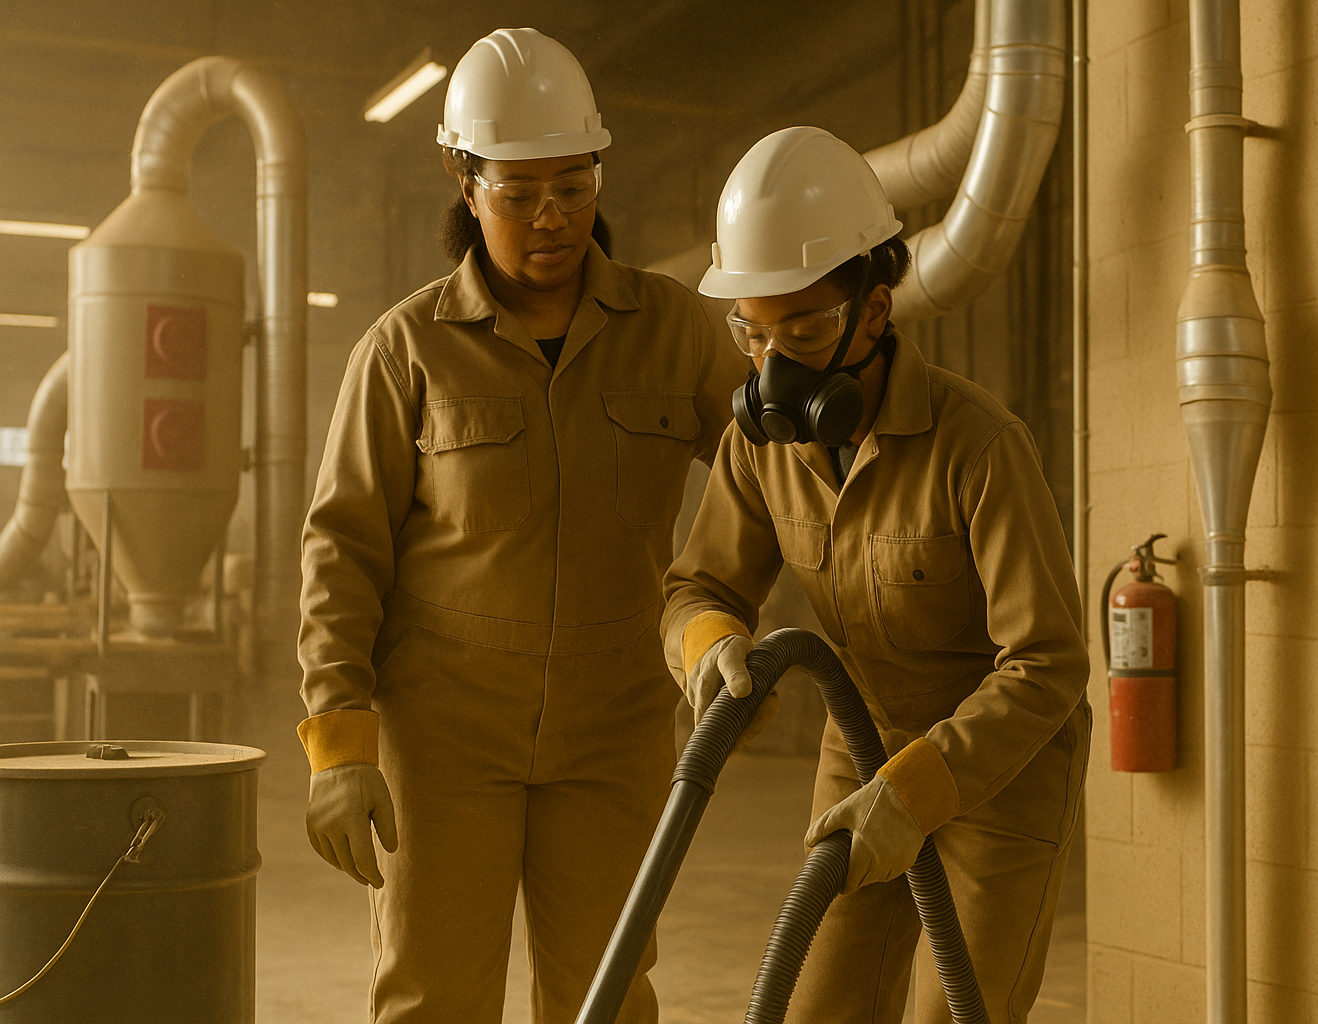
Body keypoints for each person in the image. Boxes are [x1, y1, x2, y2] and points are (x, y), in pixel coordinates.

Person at [295, 28, 745, 1024]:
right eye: (521, 192)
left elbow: (777, 482)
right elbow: (342, 553)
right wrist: (339, 742)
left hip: (615, 728)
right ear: (466, 183)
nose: (554, 218)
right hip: (444, 733)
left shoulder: (675, 330)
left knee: (608, 996)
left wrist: (718, 613)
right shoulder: (406, 353)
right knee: (434, 998)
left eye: (575, 186)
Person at [662, 126, 1091, 1024]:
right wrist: (710, 649)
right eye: (752, 332)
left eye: (806, 328)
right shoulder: (760, 444)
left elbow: (1048, 662)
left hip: (998, 777)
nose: (775, 365)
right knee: (821, 1007)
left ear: (875, 308)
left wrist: (921, 790)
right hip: (859, 745)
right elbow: (700, 587)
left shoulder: (979, 447)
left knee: (958, 1013)